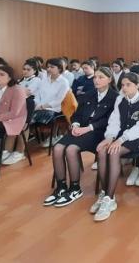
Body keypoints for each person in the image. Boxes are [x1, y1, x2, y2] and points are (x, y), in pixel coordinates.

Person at [43, 67, 119, 208]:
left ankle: (75, 188)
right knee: (57, 148)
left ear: (109, 79)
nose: (96, 80)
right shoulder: (88, 94)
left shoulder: (115, 97)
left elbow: (109, 120)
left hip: (99, 133)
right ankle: (61, 187)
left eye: (101, 77)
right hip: (81, 130)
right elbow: (77, 114)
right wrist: (76, 125)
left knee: (71, 149)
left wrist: (87, 128)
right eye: (95, 77)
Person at [90, 72, 139, 222]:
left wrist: (120, 140)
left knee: (114, 152)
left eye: (128, 85)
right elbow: (114, 122)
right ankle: (105, 193)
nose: (124, 88)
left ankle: (109, 198)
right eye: (122, 85)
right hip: (122, 135)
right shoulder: (120, 99)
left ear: (137, 85)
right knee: (102, 151)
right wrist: (109, 138)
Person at [33, 58, 71, 148]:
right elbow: (37, 94)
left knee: (30, 117)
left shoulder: (64, 82)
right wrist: (36, 104)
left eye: (52, 67)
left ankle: (54, 136)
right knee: (25, 114)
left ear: (59, 69)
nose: (49, 69)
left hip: (55, 109)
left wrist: (42, 106)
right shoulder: (44, 79)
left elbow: (59, 101)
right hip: (40, 107)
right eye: (48, 67)